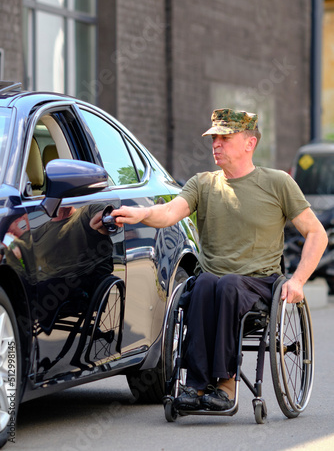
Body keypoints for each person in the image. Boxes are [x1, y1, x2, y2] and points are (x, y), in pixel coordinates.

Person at [111, 108, 328, 412]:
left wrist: (299, 280)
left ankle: (226, 386)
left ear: (249, 144)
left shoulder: (278, 183)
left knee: (227, 286)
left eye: (225, 138)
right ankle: (196, 387)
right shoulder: (203, 184)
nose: (216, 144)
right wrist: (142, 214)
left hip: (259, 283)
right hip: (213, 282)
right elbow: (170, 213)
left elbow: (317, 234)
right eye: (214, 138)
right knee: (201, 285)